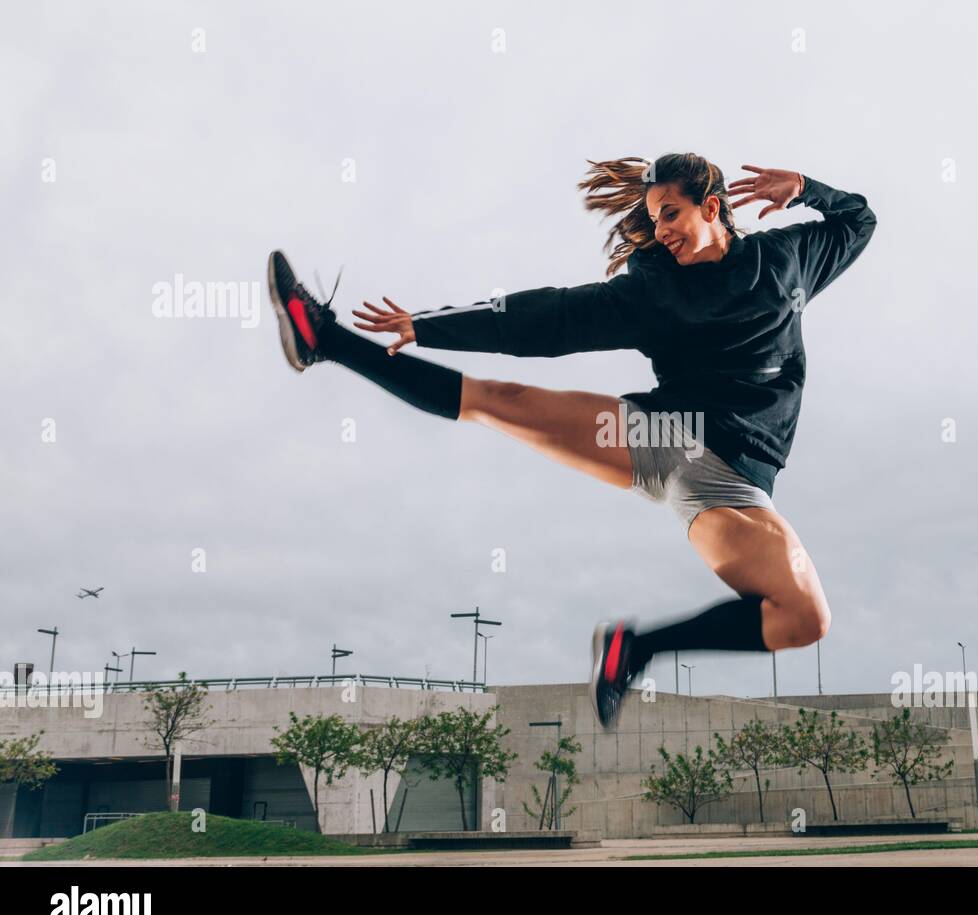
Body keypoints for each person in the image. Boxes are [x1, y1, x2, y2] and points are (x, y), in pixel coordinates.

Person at [266, 152, 878, 730]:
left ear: (711, 207)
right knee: (497, 401)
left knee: (804, 619)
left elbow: (859, 218)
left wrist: (803, 188)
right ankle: (326, 338)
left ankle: (634, 649)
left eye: (672, 214)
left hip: (735, 477)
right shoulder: (653, 293)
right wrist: (427, 325)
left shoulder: (789, 260)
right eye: (654, 217)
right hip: (661, 438)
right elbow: (545, 319)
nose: (661, 230)